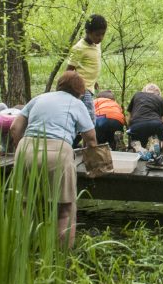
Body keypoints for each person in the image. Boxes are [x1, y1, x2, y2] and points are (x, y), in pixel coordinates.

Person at [9, 70, 98, 249]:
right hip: (58, 153)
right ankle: (62, 256)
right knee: (65, 209)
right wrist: (93, 163)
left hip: (26, 150)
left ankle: (26, 251)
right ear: (80, 92)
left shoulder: (39, 98)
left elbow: (14, 128)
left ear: (59, 85)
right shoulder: (76, 103)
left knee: (26, 204)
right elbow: (91, 139)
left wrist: (23, 148)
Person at [66, 14, 108, 120]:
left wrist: (94, 81)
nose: (100, 38)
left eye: (103, 34)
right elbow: (69, 70)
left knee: (82, 117)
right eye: (97, 35)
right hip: (82, 89)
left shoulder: (96, 44)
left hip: (90, 87)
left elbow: (90, 65)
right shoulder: (79, 48)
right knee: (90, 118)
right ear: (88, 32)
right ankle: (90, 131)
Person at [127, 83, 163, 156]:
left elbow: (129, 115)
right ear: (158, 92)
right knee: (162, 141)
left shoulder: (137, 95)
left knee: (138, 143)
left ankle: (140, 149)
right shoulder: (161, 99)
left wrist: (130, 128)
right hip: (156, 124)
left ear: (144, 90)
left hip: (137, 124)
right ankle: (154, 146)